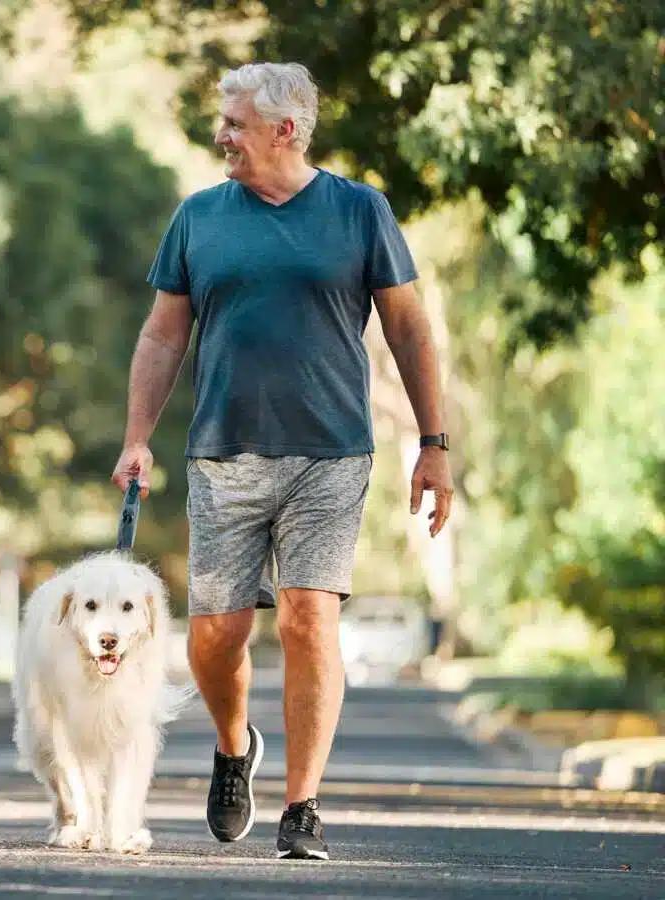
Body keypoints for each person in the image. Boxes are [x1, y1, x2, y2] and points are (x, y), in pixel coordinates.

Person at [111, 62, 453, 860]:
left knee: (309, 618)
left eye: (233, 122)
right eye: (222, 121)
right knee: (215, 636)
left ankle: (303, 807)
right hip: (223, 450)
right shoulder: (199, 217)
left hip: (330, 451)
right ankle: (236, 749)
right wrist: (136, 437)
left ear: (284, 131)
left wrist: (433, 444)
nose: (221, 134)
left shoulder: (359, 210)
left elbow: (408, 329)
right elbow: (164, 335)